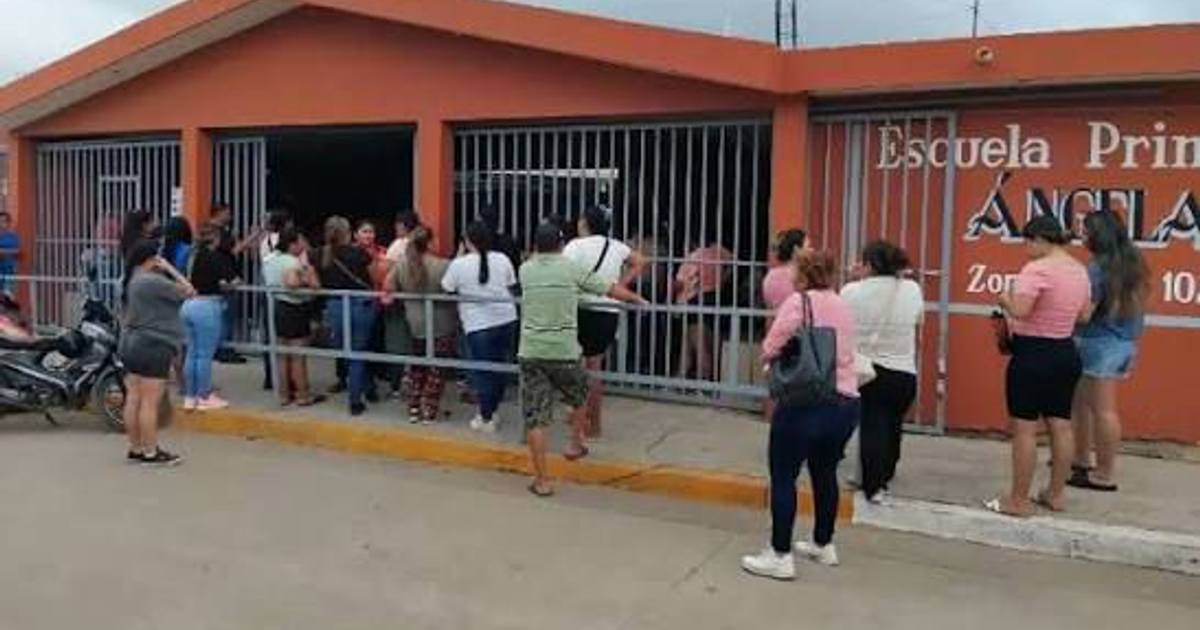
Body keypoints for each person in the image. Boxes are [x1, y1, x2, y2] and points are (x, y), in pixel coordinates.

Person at [741, 250, 859, 580]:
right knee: (825, 472)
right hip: (846, 402)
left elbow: (769, 347)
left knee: (783, 475)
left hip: (807, 403)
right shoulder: (843, 304)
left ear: (803, 275)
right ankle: (824, 543)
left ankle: (780, 554)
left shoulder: (799, 302)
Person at [520, 222, 646, 497]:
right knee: (578, 395)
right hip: (564, 350)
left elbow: (533, 261)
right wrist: (637, 299)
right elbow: (608, 289)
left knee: (536, 418)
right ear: (561, 244)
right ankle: (575, 443)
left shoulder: (526, 270)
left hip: (531, 350)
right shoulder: (569, 269)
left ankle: (542, 480)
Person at [987, 215, 1091, 517]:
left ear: (1041, 239)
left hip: (1032, 355)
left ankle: (1017, 501)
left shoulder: (1036, 269)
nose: (1025, 249)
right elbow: (1083, 316)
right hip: (1065, 351)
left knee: (1024, 429)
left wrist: (1004, 298)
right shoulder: (1079, 270)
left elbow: (1021, 310)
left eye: (1027, 242)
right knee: (1061, 425)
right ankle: (1055, 495)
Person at [1070, 211, 1149, 492]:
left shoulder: (1096, 268)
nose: (1082, 235)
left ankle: (1104, 473)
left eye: (1086, 231)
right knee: (1082, 405)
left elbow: (1085, 314)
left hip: (1099, 343)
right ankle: (1080, 460)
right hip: (1123, 342)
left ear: (1098, 235)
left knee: (1102, 410)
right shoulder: (1133, 263)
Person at [841, 240, 924, 503]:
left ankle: (873, 485)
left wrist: (853, 280)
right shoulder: (912, 289)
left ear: (867, 265)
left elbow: (843, 321)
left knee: (872, 426)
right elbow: (918, 320)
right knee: (893, 424)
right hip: (904, 371)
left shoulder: (851, 291)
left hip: (871, 369)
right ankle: (886, 473)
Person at [562, 204, 645, 437]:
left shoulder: (575, 246)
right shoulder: (616, 246)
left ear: (585, 223)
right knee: (594, 370)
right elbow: (641, 261)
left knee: (575, 368)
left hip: (580, 309)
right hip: (608, 310)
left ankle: (576, 419)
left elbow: (564, 273)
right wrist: (621, 285)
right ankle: (595, 424)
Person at [119, 240, 194, 467]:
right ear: (152, 259)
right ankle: (151, 452)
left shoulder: (129, 279)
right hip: (154, 344)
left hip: (131, 342)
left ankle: (136, 447)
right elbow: (189, 291)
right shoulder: (153, 281)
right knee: (150, 402)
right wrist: (170, 268)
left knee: (133, 397)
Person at [442, 221, 519, 432]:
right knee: (500, 367)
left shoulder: (459, 264)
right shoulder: (502, 259)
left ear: (467, 241)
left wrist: (459, 254)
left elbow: (447, 287)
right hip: (506, 319)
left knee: (483, 372)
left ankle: (486, 417)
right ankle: (492, 410)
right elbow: (512, 286)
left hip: (478, 325)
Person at [385, 226, 457, 424]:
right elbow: (453, 290)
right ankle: (429, 410)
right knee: (437, 369)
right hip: (442, 324)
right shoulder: (443, 265)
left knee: (417, 367)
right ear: (431, 243)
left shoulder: (402, 265)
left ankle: (414, 408)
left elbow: (388, 287)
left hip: (414, 324)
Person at [318, 216, 378, 416]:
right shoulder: (358, 253)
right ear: (347, 232)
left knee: (347, 351)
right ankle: (357, 398)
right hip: (360, 305)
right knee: (359, 351)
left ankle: (363, 388)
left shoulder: (320, 254)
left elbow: (306, 273)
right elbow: (375, 277)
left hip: (335, 306)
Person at [180, 224, 242, 411]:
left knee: (191, 353)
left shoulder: (193, 255)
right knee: (205, 355)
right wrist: (225, 286)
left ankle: (190, 397)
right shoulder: (215, 257)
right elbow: (235, 282)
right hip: (207, 306)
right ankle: (204, 396)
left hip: (188, 305)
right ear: (215, 238)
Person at [262, 227, 325, 407]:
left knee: (282, 355)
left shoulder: (270, 260)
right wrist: (308, 278)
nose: (303, 245)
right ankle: (303, 395)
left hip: (278, 307)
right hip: (294, 308)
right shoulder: (293, 262)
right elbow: (292, 283)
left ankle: (283, 394)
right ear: (293, 244)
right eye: (301, 242)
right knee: (298, 355)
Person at [672, 243, 734, 381]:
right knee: (690, 344)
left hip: (695, 301)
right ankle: (679, 379)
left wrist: (671, 291)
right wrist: (721, 280)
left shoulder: (694, 256)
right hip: (714, 298)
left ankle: (704, 382)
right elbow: (732, 265)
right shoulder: (721, 252)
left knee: (700, 346)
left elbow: (679, 283)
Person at [209, 204, 261, 364]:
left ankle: (223, 348)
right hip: (225, 281)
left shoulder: (215, 231)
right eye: (227, 213)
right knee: (227, 317)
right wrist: (254, 235)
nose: (230, 216)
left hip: (220, 279)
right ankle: (224, 350)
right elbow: (235, 250)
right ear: (219, 213)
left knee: (223, 317)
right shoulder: (217, 231)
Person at [382, 211, 421, 397]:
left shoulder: (399, 244)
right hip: (418, 301)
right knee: (416, 342)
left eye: (397, 225)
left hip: (399, 300)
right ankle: (415, 382)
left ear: (403, 226)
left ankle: (397, 385)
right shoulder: (422, 244)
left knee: (396, 342)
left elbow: (385, 270)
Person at [761, 229, 809, 311]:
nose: (811, 250)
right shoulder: (799, 275)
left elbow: (769, 306)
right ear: (796, 249)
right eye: (807, 247)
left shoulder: (770, 275)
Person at [0, 212, 21, 294]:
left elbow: (17, 251)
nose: (1, 224)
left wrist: (2, 251)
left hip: (9, 270)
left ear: (8, 223)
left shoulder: (13, 236)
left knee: (8, 295)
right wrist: (9, 251)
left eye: (4, 221)